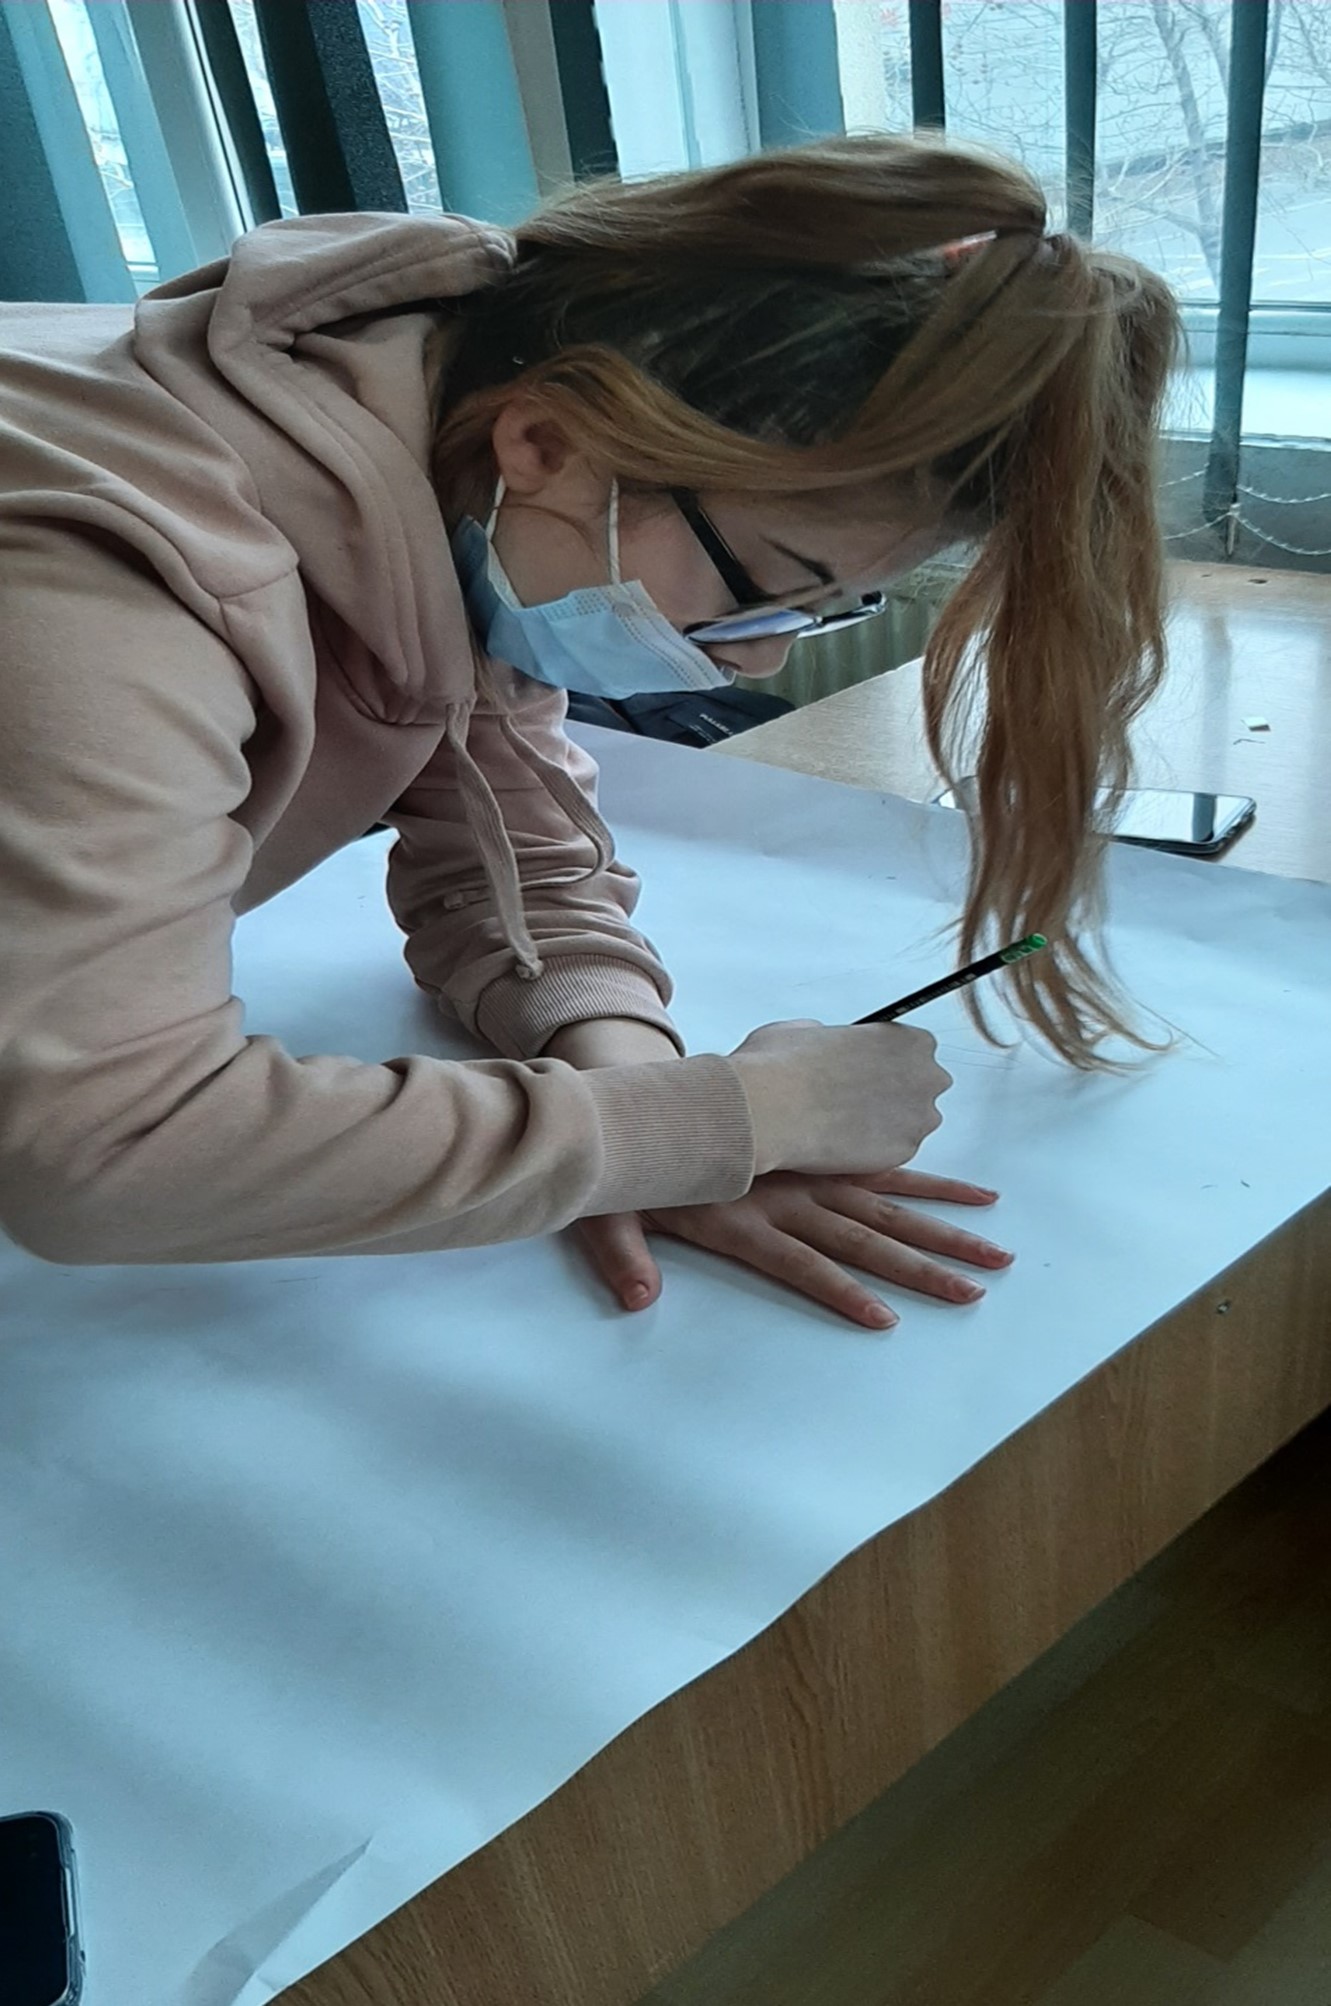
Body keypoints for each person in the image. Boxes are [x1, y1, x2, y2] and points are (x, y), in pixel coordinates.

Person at [0, 134, 1178, 1330]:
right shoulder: (102, 579)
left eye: (827, 610)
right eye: (763, 584)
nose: (761, 658)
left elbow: (511, 858)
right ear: (548, 443)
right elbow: (105, 1146)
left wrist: (650, 1111)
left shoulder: (442, 465)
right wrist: (730, 1117)